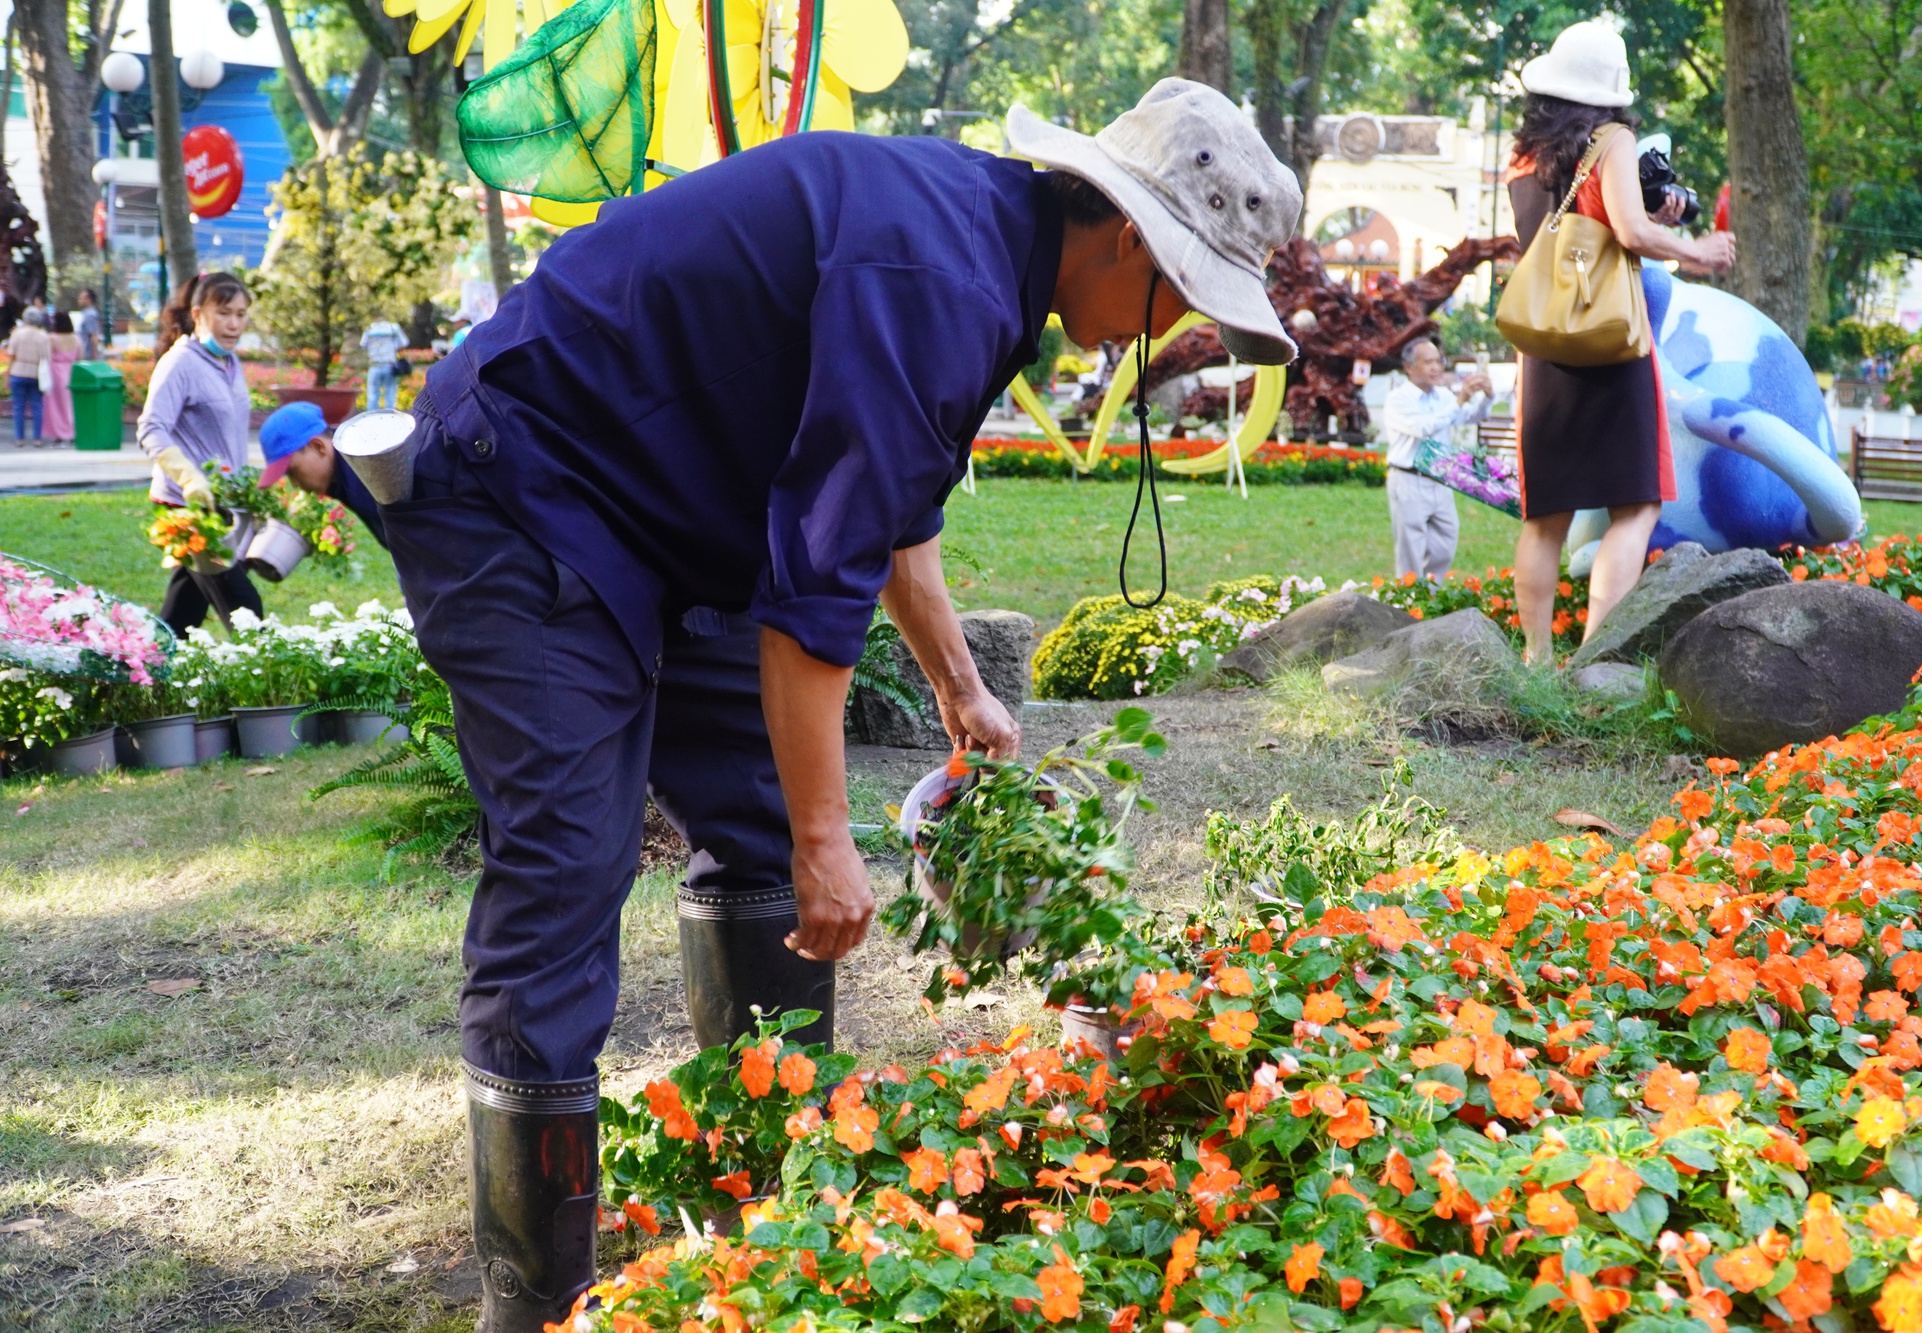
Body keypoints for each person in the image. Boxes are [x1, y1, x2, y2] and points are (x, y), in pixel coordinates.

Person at [376, 78, 1300, 1330]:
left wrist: (955, 681)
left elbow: (890, 500)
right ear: (1130, 235)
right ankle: (533, 1296)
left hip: (661, 512)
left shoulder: (982, 247)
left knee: (755, 818)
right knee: (567, 864)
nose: (1169, 329)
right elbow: (816, 585)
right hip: (525, 482)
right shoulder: (944, 274)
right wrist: (832, 841)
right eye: (1183, 293)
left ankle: (762, 1195)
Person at [1505, 22, 1736, 664]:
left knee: (1546, 515)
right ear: (1611, 90)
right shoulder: (1613, 140)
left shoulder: (1523, 155)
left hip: (1545, 344)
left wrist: (1647, 215)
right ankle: (1594, 656)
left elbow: (1576, 227)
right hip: (1609, 341)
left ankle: (1534, 658)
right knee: (1635, 505)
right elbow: (1630, 234)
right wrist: (1695, 248)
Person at [140, 272, 262, 635]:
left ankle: (145, 674)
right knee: (245, 610)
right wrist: (189, 477)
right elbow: (150, 427)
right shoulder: (180, 363)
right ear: (198, 314)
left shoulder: (229, 362)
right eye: (224, 313)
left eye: (241, 314)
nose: (234, 324)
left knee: (183, 611)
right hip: (190, 507)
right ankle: (270, 685)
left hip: (225, 503)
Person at [1379, 338, 1491, 580]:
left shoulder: (1443, 396)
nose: (1435, 368)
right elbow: (1423, 427)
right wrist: (1459, 401)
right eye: (1427, 362)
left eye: (1438, 362)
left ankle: (1430, 596)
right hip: (1408, 479)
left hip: (1440, 478)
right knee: (1410, 546)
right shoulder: (1398, 399)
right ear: (1409, 367)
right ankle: (1407, 601)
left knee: (1446, 539)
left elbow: (1470, 416)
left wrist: (1486, 397)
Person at [256, 401, 386, 546]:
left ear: (318, 447)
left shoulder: (366, 474)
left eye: (293, 472)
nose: (295, 484)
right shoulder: (343, 473)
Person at [6, 306, 49, 445]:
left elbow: (11, 354)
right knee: (37, 406)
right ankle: (37, 438)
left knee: (18, 407)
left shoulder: (17, 334)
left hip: (18, 371)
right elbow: (47, 357)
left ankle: (19, 438)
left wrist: (8, 373)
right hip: (36, 373)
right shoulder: (43, 336)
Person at [43, 312, 79, 444]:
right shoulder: (76, 338)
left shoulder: (52, 338)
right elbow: (81, 356)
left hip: (56, 372)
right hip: (72, 370)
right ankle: (72, 431)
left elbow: (47, 357)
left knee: (56, 405)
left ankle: (59, 433)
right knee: (70, 403)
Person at [361, 317, 409, 411]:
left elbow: (363, 345)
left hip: (374, 365)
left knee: (372, 394)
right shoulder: (393, 328)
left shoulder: (369, 329)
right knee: (390, 392)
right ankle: (390, 415)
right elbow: (404, 342)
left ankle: (371, 417)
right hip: (389, 365)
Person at [73, 289, 102, 361]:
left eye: (81, 298)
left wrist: (95, 356)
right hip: (83, 352)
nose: (79, 300)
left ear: (88, 299)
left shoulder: (90, 315)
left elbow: (93, 335)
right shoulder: (85, 313)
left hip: (87, 354)